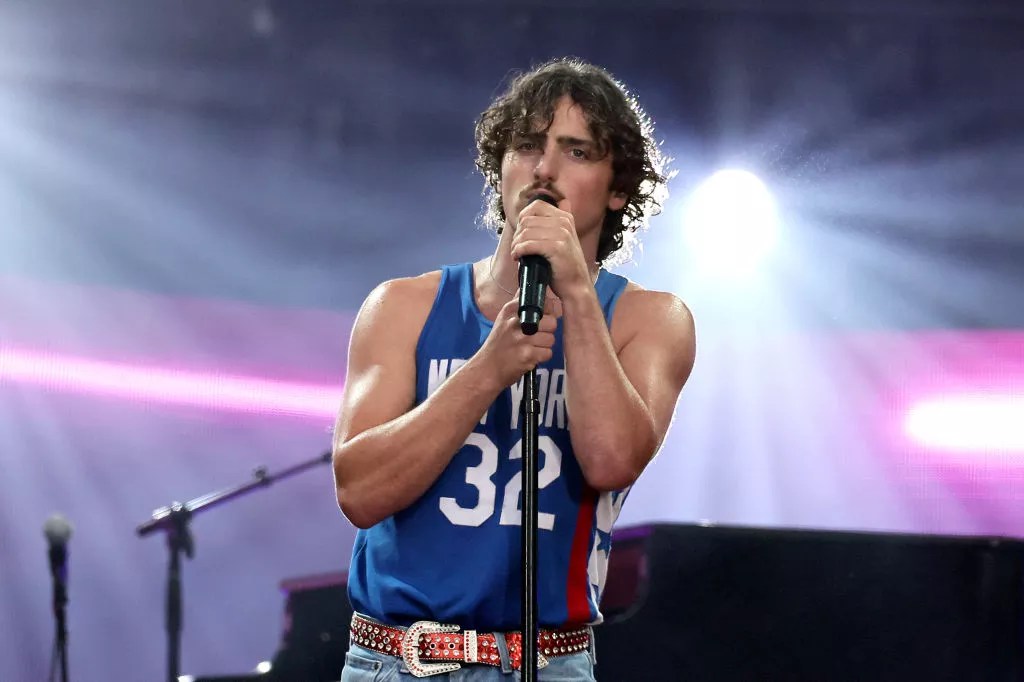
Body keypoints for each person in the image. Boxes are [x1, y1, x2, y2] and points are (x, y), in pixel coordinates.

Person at [332, 57, 696, 680]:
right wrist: (487, 369)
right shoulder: (402, 306)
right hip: (396, 659)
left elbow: (611, 461)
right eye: (526, 145)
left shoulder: (649, 319)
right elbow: (360, 493)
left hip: (546, 661)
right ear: (499, 166)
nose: (544, 169)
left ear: (617, 189)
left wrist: (576, 295)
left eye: (576, 151)